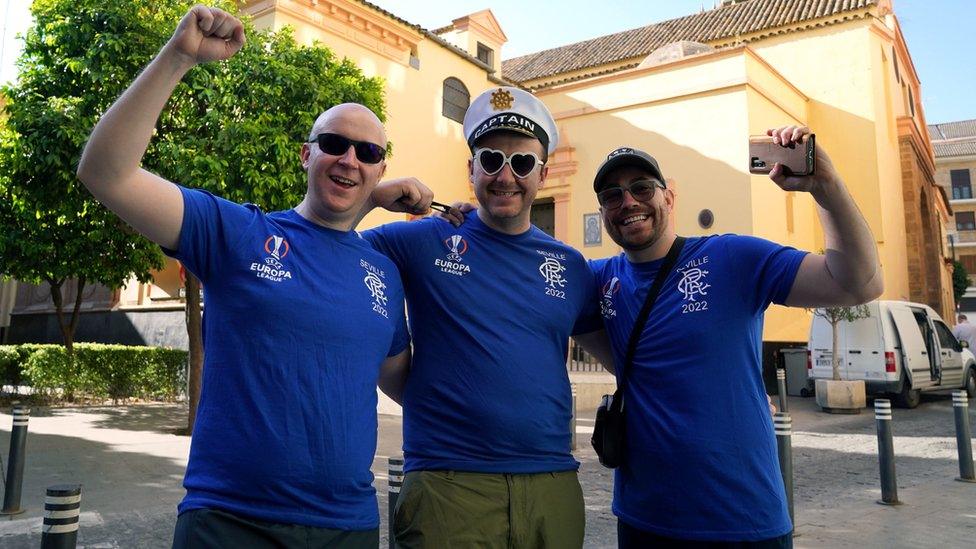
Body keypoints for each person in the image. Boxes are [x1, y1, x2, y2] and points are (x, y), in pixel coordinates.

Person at [76, 6, 436, 547]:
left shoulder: (381, 271)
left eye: (368, 152)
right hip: (229, 522)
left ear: (382, 169)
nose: (349, 160)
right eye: (334, 145)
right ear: (304, 155)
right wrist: (178, 57)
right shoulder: (239, 234)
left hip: (347, 528)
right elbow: (107, 173)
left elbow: (408, 384)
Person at [588, 129, 883, 548]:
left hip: (742, 521)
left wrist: (826, 187)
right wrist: (468, 224)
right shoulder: (601, 282)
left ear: (669, 197)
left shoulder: (732, 258)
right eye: (612, 196)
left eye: (640, 187)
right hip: (643, 520)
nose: (628, 202)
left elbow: (858, 284)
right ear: (602, 212)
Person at [362, 87, 613, 548]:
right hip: (447, 485)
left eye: (522, 164)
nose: (505, 176)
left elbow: (621, 358)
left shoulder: (570, 265)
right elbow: (327, 244)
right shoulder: (423, 241)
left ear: (542, 173)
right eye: (492, 159)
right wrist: (374, 197)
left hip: (551, 484)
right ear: (471, 168)